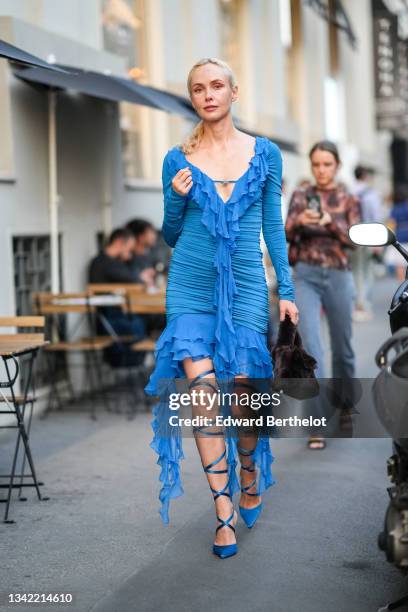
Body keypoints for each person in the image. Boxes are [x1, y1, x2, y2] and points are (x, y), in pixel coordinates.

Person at [144, 57, 298, 559]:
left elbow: (272, 228)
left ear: (235, 91)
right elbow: (171, 234)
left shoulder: (266, 154)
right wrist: (173, 198)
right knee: (204, 395)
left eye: (216, 86)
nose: (207, 95)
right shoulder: (177, 159)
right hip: (189, 287)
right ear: (192, 99)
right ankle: (223, 511)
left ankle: (248, 469)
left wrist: (289, 292)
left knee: (242, 395)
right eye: (197, 89)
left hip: (250, 288)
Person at [285, 140, 361, 450]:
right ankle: (317, 423)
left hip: (339, 275)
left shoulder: (347, 198)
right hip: (306, 276)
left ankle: (344, 405)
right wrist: (299, 221)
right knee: (311, 347)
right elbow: (285, 232)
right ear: (311, 165)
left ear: (337, 166)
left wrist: (332, 223)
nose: (321, 170)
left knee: (342, 348)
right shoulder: (301, 196)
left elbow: (355, 240)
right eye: (316, 164)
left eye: (327, 164)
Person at [88, 227, 145, 366]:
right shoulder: (108, 264)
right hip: (112, 319)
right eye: (129, 249)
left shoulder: (100, 261)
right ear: (119, 242)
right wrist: (131, 261)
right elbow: (135, 280)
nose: (130, 253)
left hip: (108, 319)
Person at [351, 165, 384, 320]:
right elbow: (377, 216)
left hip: (353, 236)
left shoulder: (349, 191)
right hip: (369, 236)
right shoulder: (371, 194)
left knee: (355, 271)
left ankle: (357, 302)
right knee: (367, 272)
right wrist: (378, 243)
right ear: (365, 176)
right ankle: (363, 303)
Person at [384, 185, 408, 282]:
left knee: (400, 265)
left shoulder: (395, 209)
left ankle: (402, 285)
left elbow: (391, 225)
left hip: (400, 238)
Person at [126, 219, 158, 288]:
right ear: (140, 236)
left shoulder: (149, 257)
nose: (154, 236)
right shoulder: (127, 258)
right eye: (151, 232)